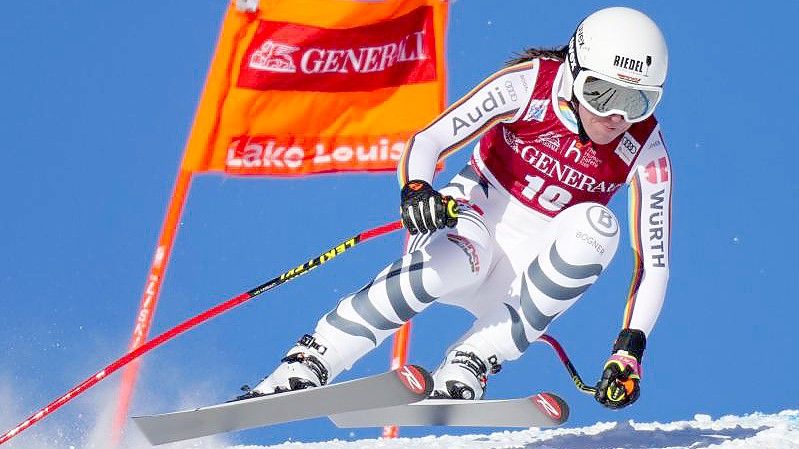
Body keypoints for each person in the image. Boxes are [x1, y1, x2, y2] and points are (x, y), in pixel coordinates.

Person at [244, 6, 672, 409]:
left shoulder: (646, 149)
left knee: (599, 226)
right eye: (599, 94)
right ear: (573, 72)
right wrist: (416, 189)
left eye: (637, 102)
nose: (615, 116)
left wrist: (630, 348)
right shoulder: (528, 85)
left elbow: (654, 264)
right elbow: (429, 139)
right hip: (470, 222)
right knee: (457, 261)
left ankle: (473, 359)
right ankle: (315, 357)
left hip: (525, 280)